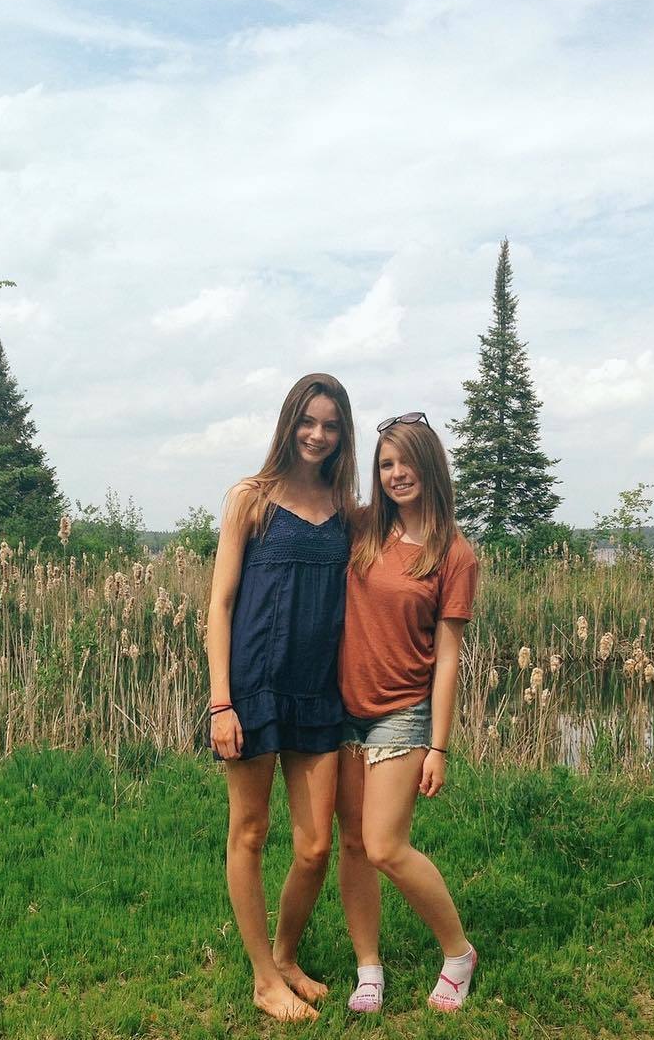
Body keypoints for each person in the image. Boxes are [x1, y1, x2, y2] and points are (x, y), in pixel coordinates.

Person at [206, 372, 358, 1022]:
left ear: (342, 434)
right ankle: (263, 979)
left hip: (318, 690)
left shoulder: (345, 509)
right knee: (249, 829)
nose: (317, 434)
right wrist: (221, 702)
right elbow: (220, 604)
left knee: (315, 846)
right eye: (308, 421)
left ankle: (286, 956)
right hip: (253, 686)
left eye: (330, 425)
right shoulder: (252, 498)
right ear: (289, 422)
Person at [335, 412, 479, 1014]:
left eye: (407, 462)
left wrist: (439, 746)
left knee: (385, 846)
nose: (396, 474)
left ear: (431, 466)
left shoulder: (454, 554)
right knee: (351, 843)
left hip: (403, 711)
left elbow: (447, 659)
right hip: (344, 708)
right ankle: (368, 967)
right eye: (386, 464)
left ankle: (458, 953)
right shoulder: (364, 528)